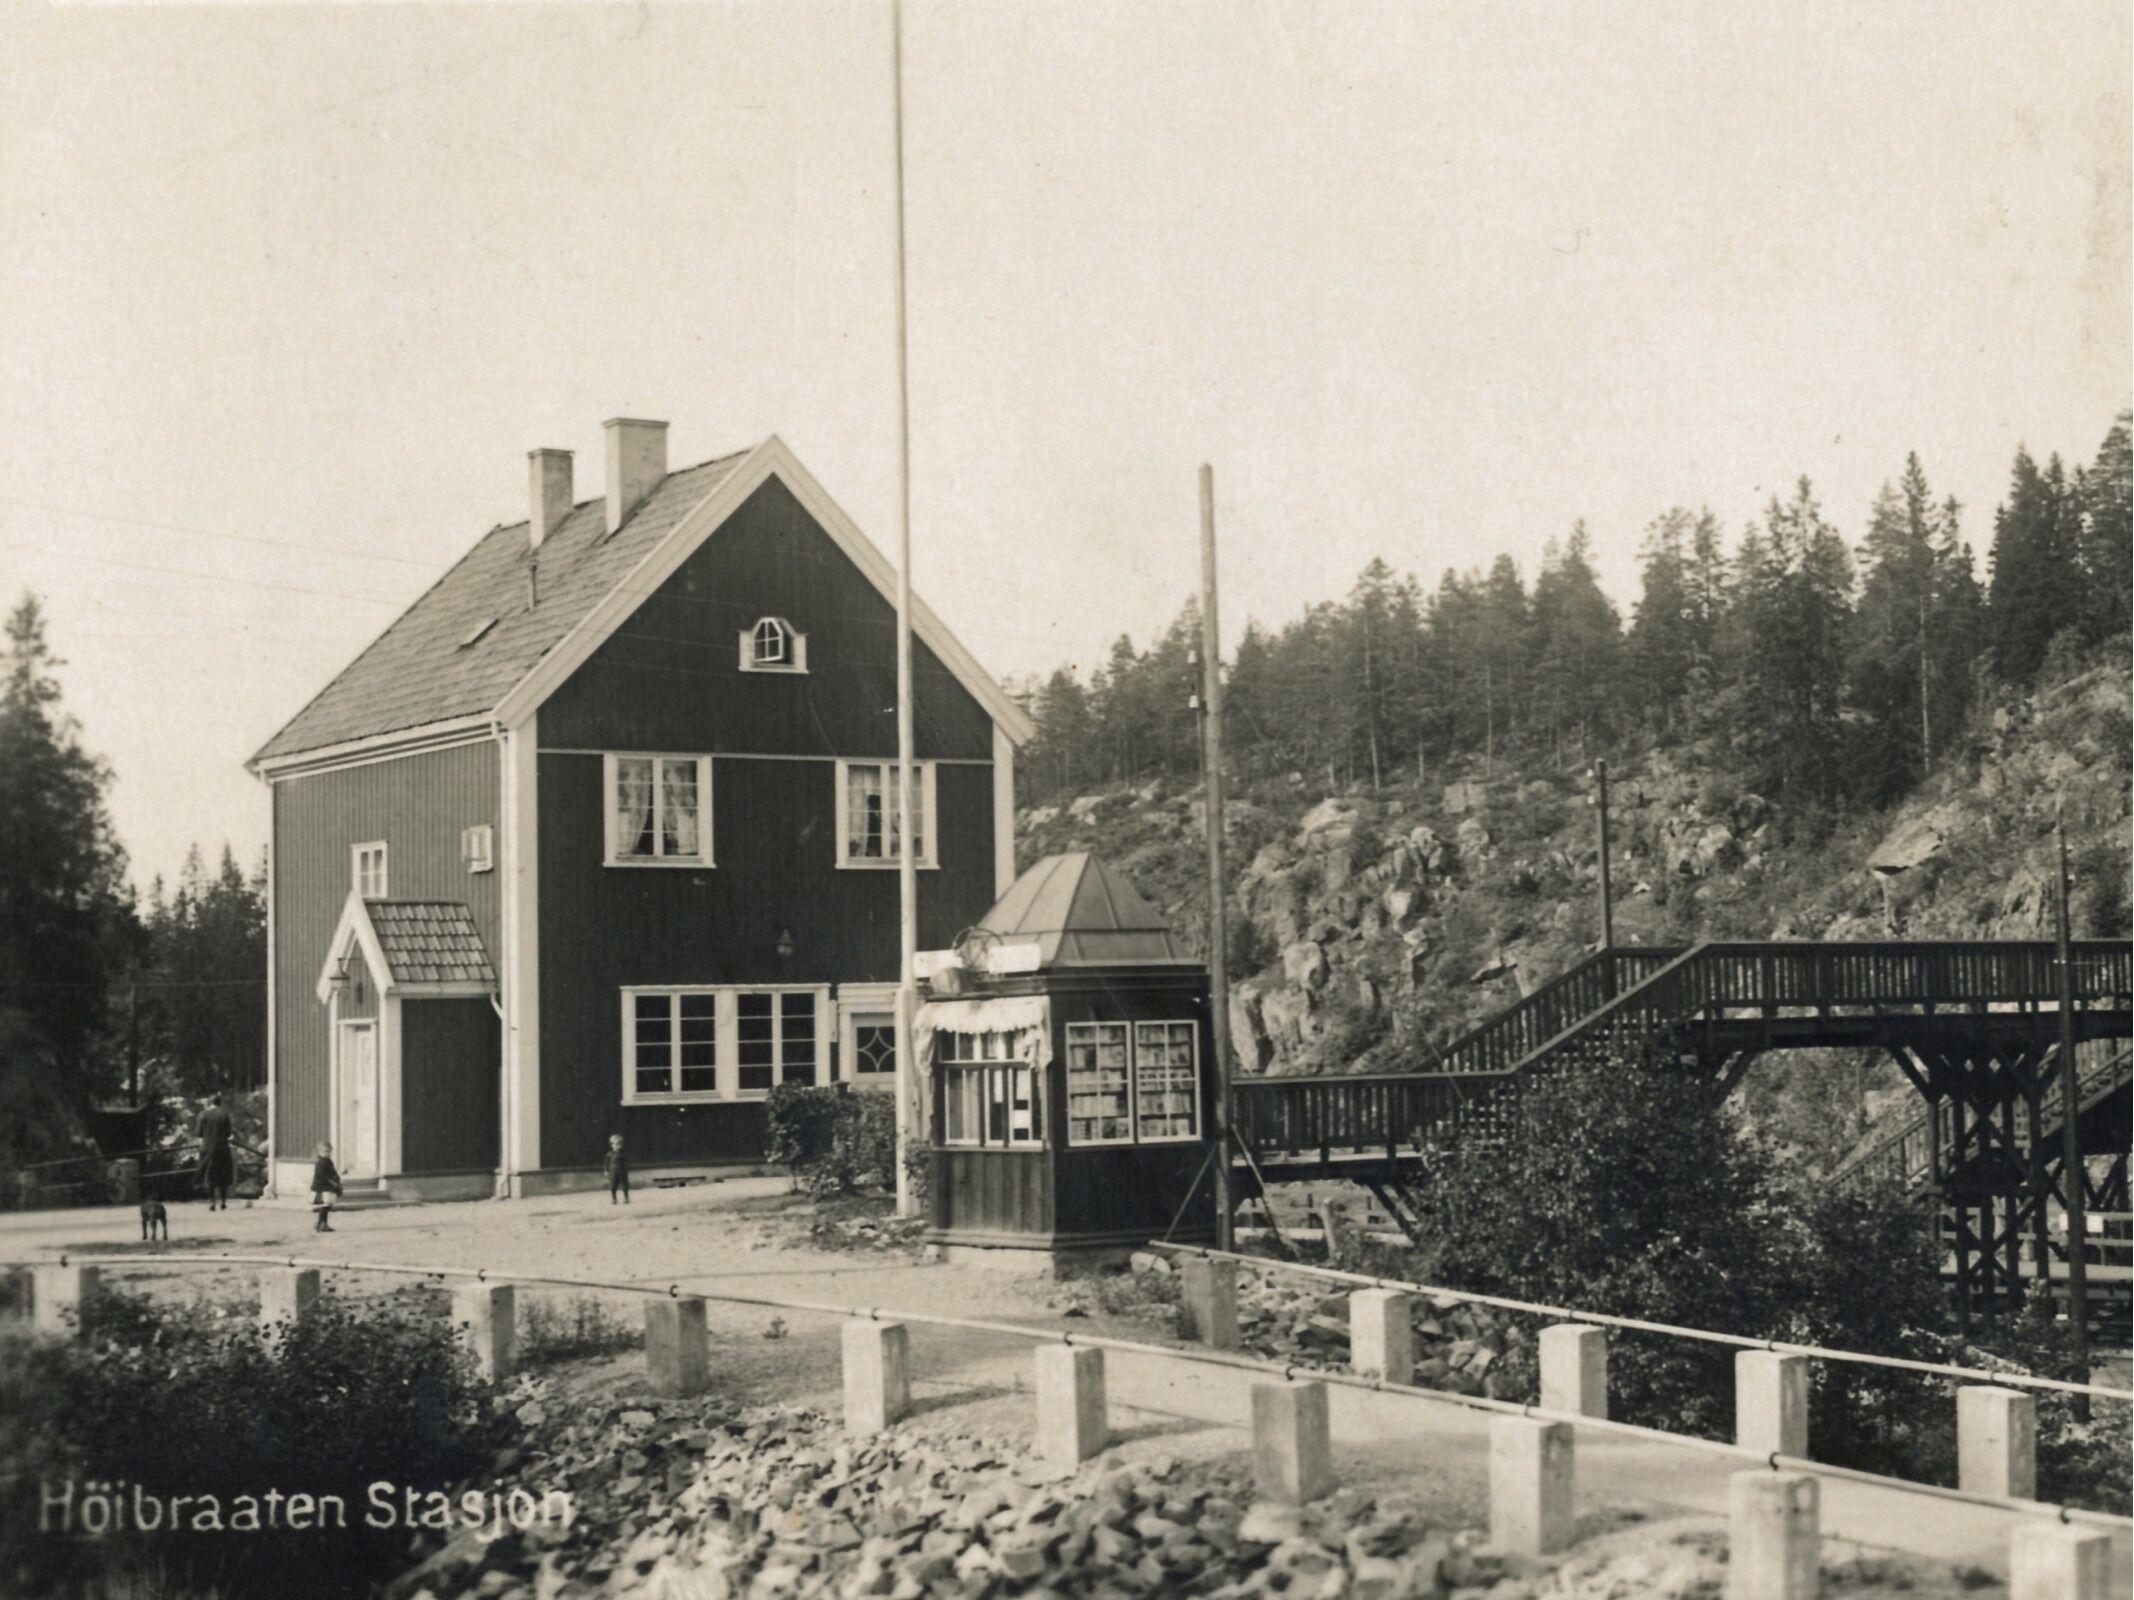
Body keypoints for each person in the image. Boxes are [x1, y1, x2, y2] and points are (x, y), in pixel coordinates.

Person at [197, 1093, 235, 1211]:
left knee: (210, 1176)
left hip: (207, 1149)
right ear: (219, 1103)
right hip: (222, 1148)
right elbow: (229, 1133)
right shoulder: (224, 1114)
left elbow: (199, 1133)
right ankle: (223, 1201)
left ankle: (212, 1202)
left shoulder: (203, 1115)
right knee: (223, 1176)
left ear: (209, 1103)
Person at [311, 1141, 343, 1232]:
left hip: (327, 1186)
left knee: (326, 1206)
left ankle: (321, 1223)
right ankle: (321, 1223)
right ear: (319, 1152)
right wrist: (333, 1182)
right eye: (325, 1151)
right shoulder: (321, 1162)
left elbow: (332, 1172)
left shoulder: (328, 1161)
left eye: (329, 1151)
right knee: (324, 1206)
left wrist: (337, 1178)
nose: (327, 1153)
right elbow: (322, 1175)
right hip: (323, 1187)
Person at [604, 1133, 630, 1205]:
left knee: (624, 1185)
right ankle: (614, 1199)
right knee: (613, 1186)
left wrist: (626, 1169)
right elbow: (606, 1163)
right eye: (615, 1144)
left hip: (622, 1171)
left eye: (619, 1144)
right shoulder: (609, 1154)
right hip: (613, 1172)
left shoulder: (623, 1154)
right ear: (611, 1145)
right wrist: (606, 1170)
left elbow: (626, 1162)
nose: (617, 1146)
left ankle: (626, 1198)